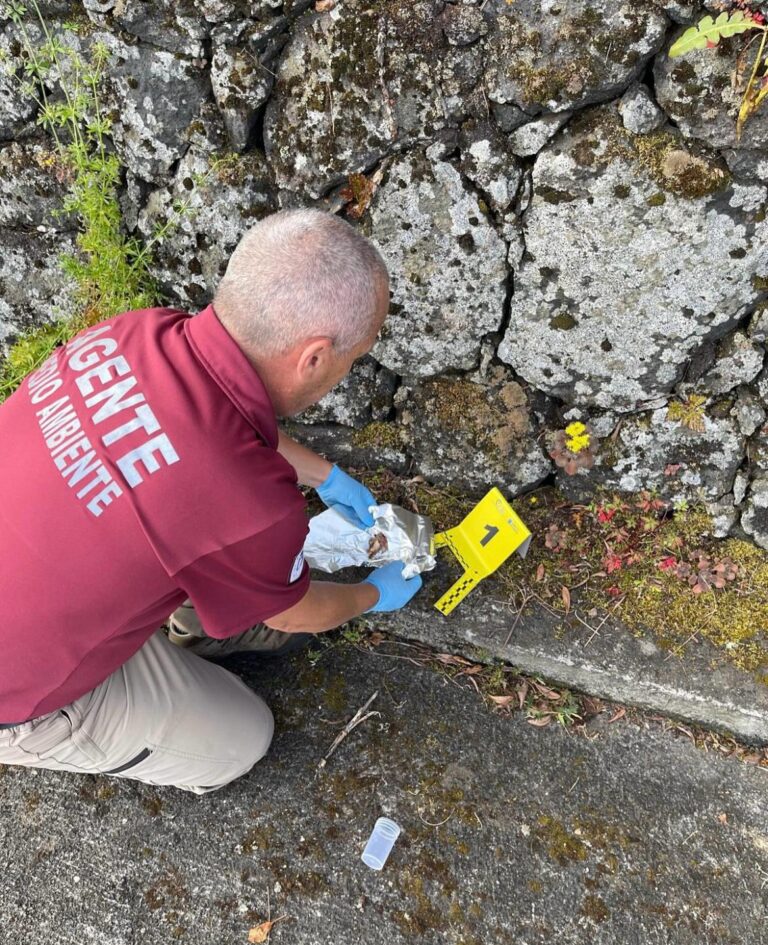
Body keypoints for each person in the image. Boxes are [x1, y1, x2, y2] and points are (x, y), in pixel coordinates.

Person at [0, 209, 423, 793]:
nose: (345, 373)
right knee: (243, 737)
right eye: (353, 361)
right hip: (16, 693)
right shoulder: (253, 510)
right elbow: (292, 610)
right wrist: (374, 593)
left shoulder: (134, 333)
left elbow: (208, 416)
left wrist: (325, 475)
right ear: (316, 357)